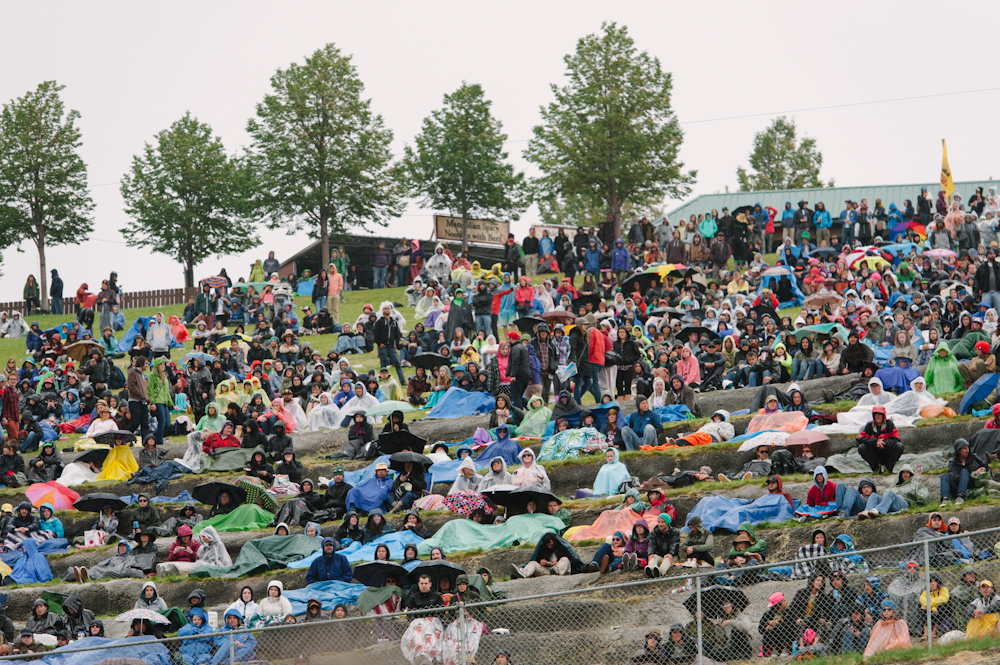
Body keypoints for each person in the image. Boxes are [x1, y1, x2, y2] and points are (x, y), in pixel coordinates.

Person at [510, 532, 583, 578]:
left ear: (553, 541)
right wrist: (541, 561)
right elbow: (536, 559)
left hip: (563, 571)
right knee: (533, 563)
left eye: (551, 545)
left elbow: (573, 560)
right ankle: (525, 573)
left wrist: (558, 563)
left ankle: (557, 570)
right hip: (548, 571)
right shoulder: (543, 548)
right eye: (548, 546)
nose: (549, 547)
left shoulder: (562, 546)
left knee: (564, 559)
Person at [940, 438, 988, 506]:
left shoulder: (974, 458)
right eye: (964, 449)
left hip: (971, 485)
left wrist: (982, 469)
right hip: (957, 487)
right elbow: (953, 477)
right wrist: (970, 474)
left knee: (964, 471)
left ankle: (961, 497)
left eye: (968, 448)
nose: (967, 451)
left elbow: (986, 466)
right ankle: (945, 500)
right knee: (944, 477)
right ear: (958, 450)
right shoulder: (952, 462)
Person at [856, 405, 902, 474]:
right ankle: (876, 469)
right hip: (874, 453)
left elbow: (896, 438)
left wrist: (884, 443)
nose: (878, 416)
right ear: (873, 416)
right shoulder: (869, 425)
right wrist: (875, 442)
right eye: (876, 414)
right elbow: (861, 438)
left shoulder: (889, 424)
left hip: (887, 452)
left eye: (880, 414)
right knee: (862, 447)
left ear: (884, 415)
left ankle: (888, 468)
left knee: (899, 446)